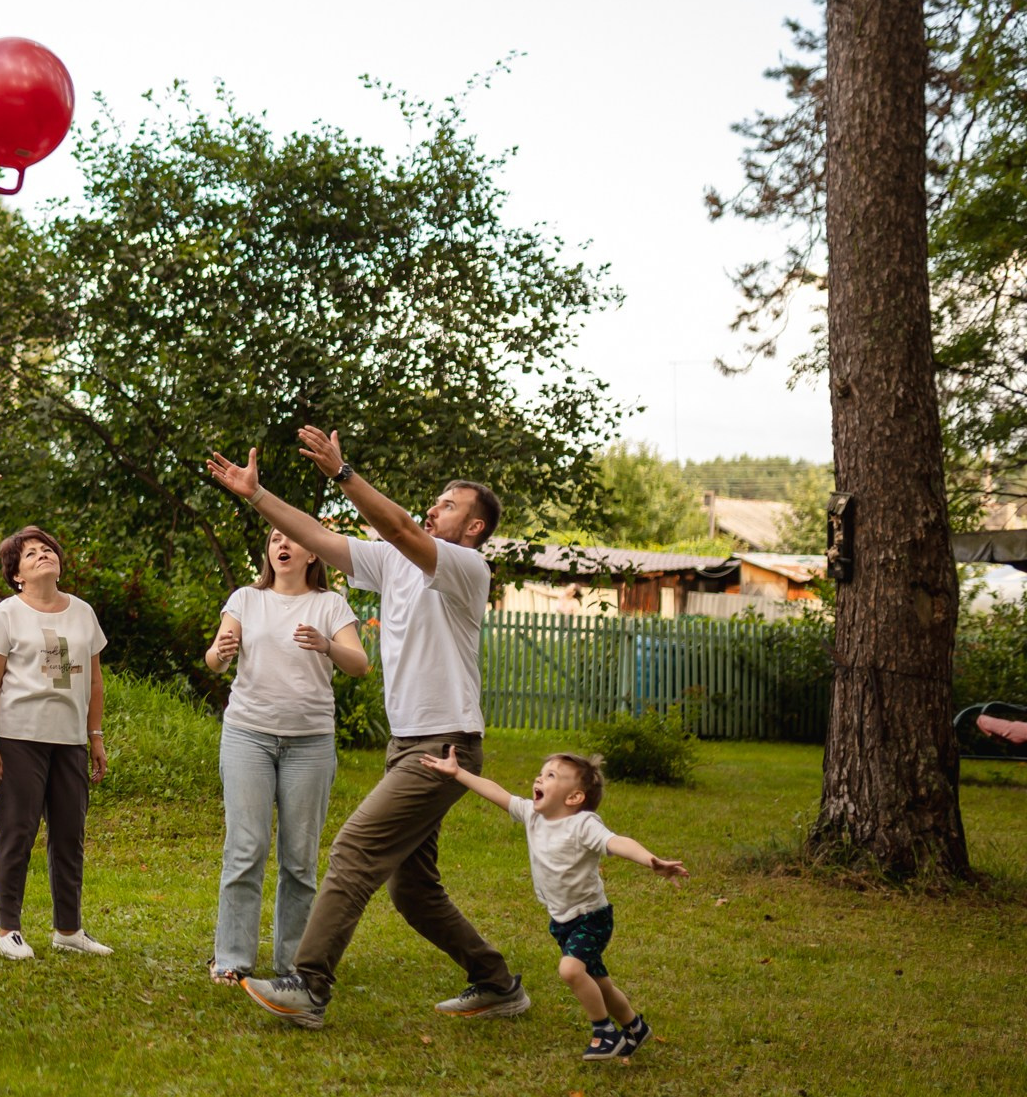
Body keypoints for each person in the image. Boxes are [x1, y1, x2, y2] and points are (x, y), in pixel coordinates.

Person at [205, 426, 523, 1030]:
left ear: (475, 527)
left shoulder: (462, 568)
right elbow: (316, 536)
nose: (434, 510)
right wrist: (256, 495)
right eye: (435, 502)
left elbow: (401, 527)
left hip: (445, 744)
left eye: (449, 506)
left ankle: (308, 984)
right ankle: (497, 982)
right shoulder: (392, 565)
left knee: (352, 848)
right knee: (414, 888)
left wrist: (341, 474)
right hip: (406, 744)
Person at [420, 747, 687, 1061]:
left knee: (571, 970)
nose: (539, 777)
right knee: (599, 983)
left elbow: (617, 842)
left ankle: (604, 1032)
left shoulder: (583, 825)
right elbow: (497, 792)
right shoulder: (533, 816)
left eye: (551, 775)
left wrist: (648, 859)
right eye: (541, 772)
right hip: (562, 921)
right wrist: (458, 773)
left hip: (591, 918)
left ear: (574, 798)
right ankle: (634, 1027)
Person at [202, 528, 368, 984]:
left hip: (310, 744)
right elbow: (214, 659)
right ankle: (232, 959)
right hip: (248, 737)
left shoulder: (330, 605)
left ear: (312, 551)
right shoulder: (246, 600)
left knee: (299, 859)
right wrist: (221, 651)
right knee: (245, 848)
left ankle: (293, 964)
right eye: (277, 537)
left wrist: (328, 645)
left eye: (293, 537)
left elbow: (360, 663)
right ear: (269, 551)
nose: (283, 544)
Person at [0, 525, 112, 961]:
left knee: (70, 834)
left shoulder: (83, 612)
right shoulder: (6, 614)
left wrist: (95, 738)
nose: (42, 555)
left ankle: (68, 929)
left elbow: (94, 681)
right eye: (30, 553)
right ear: (16, 574)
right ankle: (8, 930)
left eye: (47, 549)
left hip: (69, 739)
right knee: (17, 833)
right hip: (19, 739)